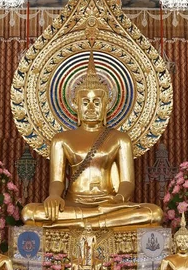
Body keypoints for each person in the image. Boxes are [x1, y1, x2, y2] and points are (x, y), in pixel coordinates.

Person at [22, 52, 163, 229]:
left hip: (111, 206)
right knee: (30, 212)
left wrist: (118, 200)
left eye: (96, 102)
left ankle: (86, 223)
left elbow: (127, 182)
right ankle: (95, 222)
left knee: (153, 213)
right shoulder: (61, 140)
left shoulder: (120, 139)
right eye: (85, 102)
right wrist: (55, 197)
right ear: (75, 105)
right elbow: (57, 180)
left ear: (106, 105)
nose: (90, 107)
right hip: (72, 206)